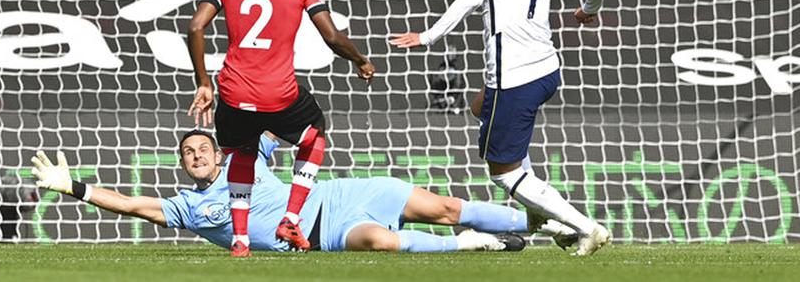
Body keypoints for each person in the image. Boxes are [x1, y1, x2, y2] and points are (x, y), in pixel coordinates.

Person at [391, 0, 610, 256]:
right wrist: (587, 11)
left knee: (504, 172)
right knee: (480, 108)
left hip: (516, 77)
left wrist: (426, 37)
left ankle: (585, 228)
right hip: (546, 70)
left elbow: (469, 0)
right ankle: (546, 215)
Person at [185, 0, 375, 256]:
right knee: (314, 131)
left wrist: (204, 83)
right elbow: (331, 36)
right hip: (279, 94)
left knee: (242, 152)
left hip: (232, 91)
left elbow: (196, 27)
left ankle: (240, 240)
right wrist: (360, 60)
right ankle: (290, 217)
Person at [30, 130, 536, 253]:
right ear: (184, 165)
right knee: (379, 243)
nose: (198, 154)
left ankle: (539, 222)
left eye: (204, 147)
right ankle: (473, 244)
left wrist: (287, 125)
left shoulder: (245, 161)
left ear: (217, 151)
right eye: (189, 153)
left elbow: (280, 130)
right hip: (327, 230)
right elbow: (131, 204)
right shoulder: (190, 208)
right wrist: (72, 186)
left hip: (340, 193)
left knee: (446, 207)